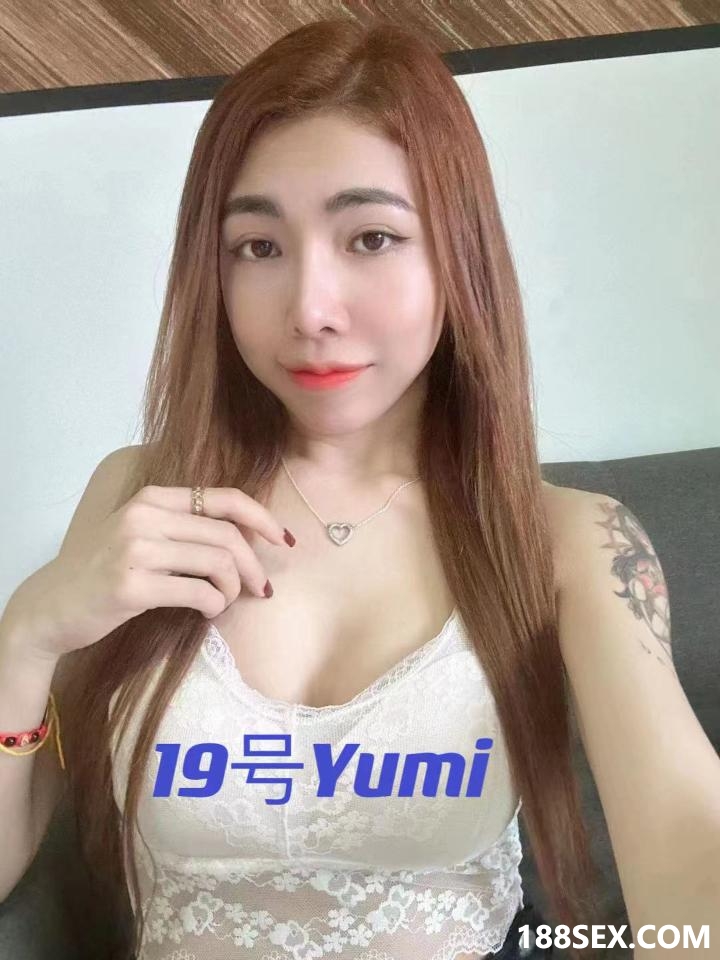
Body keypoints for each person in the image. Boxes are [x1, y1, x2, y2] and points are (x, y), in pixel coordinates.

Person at [2, 17, 719, 960]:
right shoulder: (140, 497)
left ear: (458, 255)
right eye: (258, 247)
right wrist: (28, 633)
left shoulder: (569, 541)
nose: (310, 309)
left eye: (371, 237)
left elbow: (684, 827)